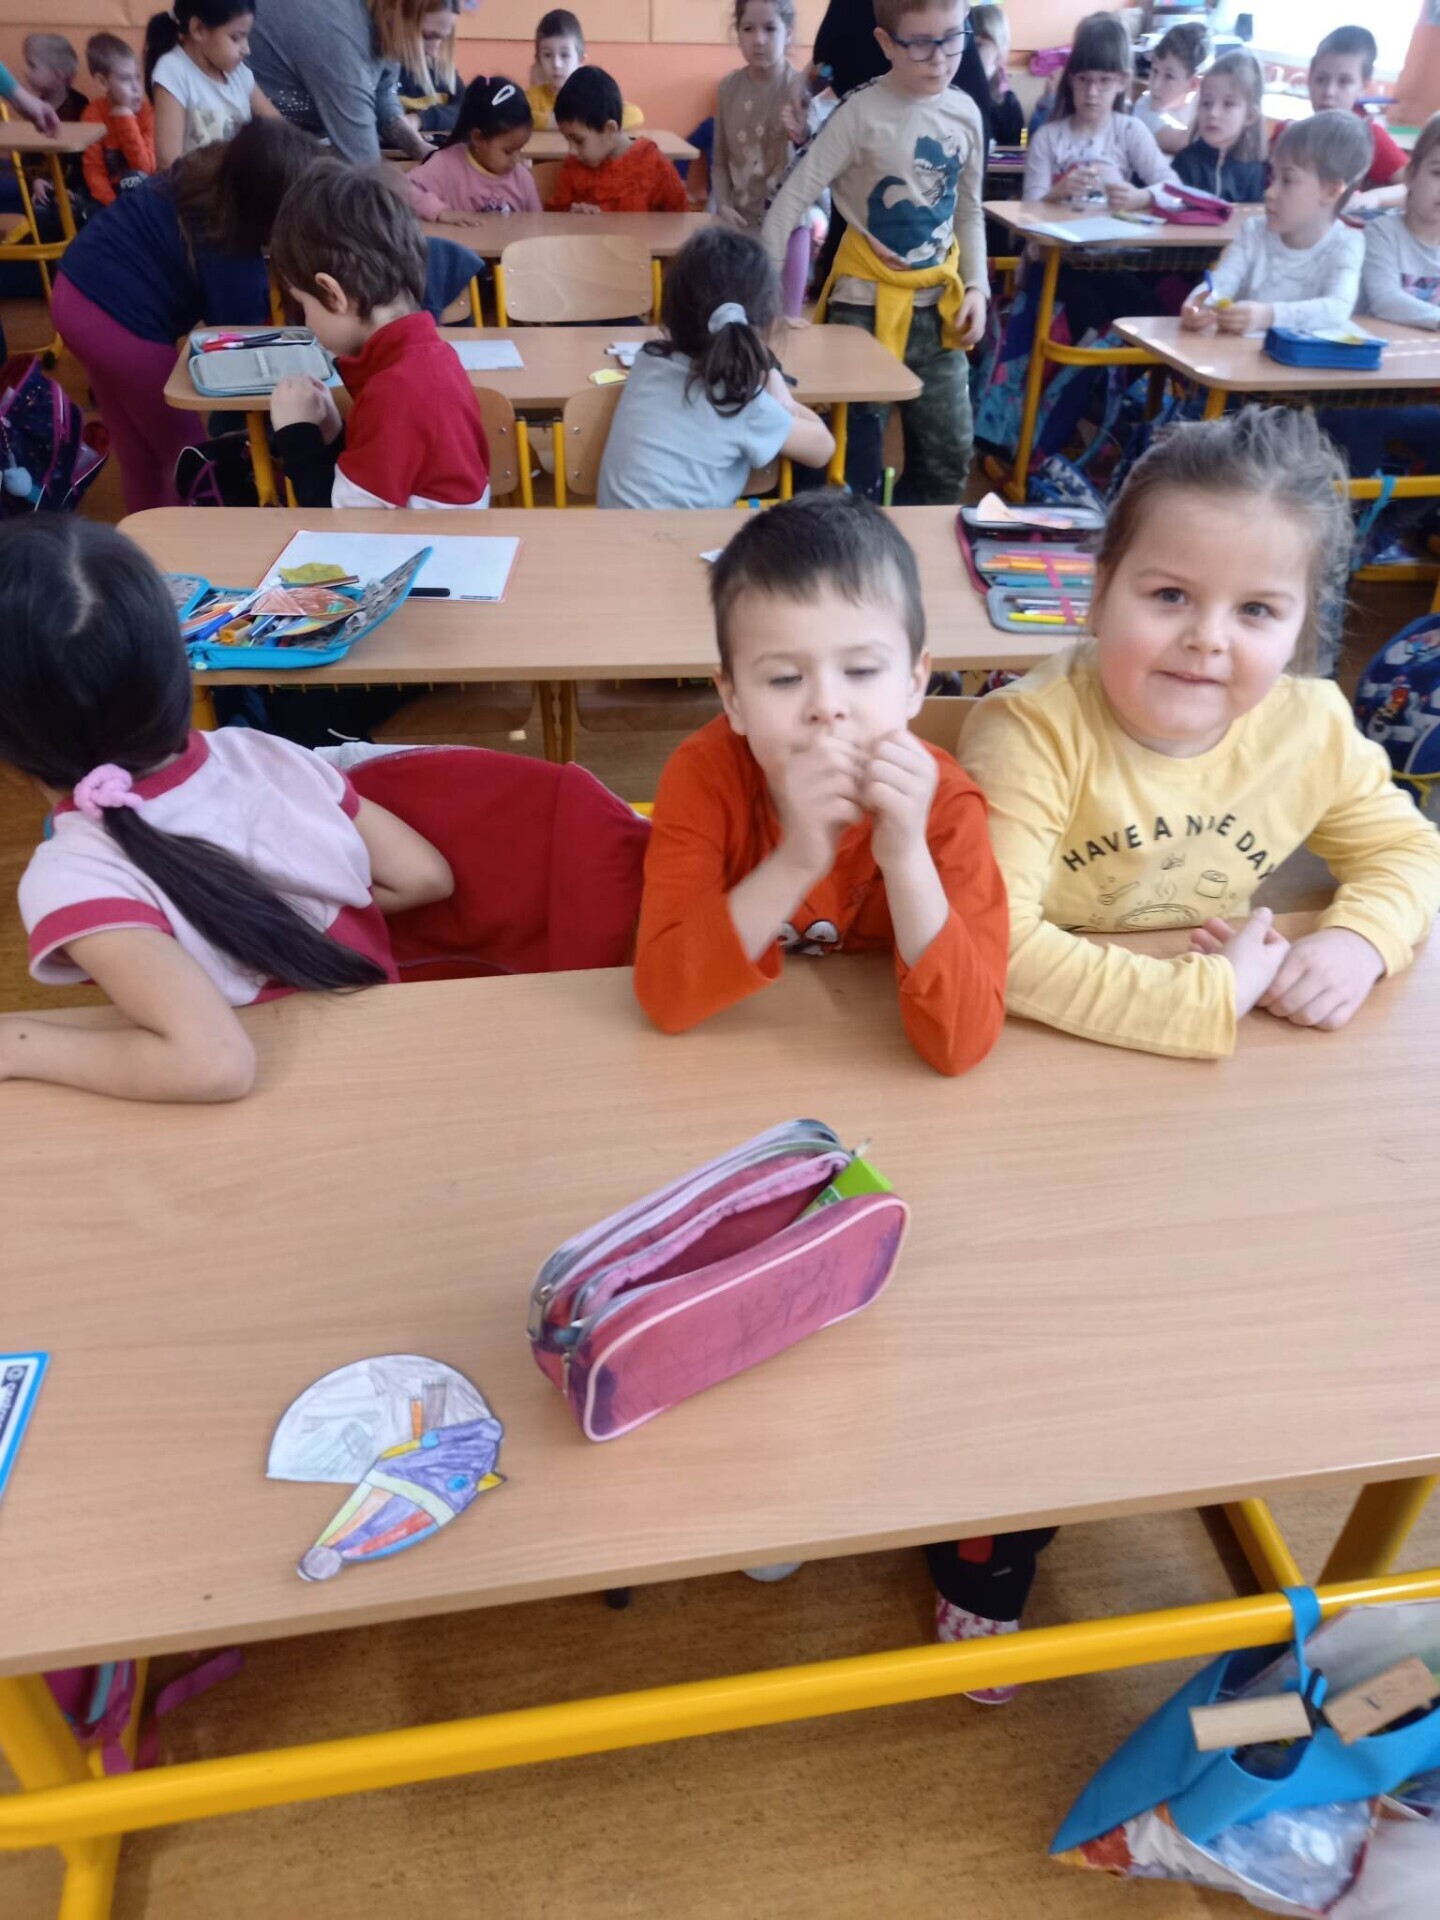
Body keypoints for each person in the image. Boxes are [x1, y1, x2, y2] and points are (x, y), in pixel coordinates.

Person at [960, 406, 1440, 1061]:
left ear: (1300, 631)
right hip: (1037, 1045)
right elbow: (990, 941)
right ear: (1100, 595)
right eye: (1170, 595)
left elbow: (1410, 849)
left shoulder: (1311, 728)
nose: (1208, 638)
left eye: (1256, 609)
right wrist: (1207, 995)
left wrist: (1361, 940)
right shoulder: (1030, 734)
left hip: (1198, 1042)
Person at [0, 519, 453, 1105]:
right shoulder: (263, 753)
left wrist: (17, 1042)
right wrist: (284, 926)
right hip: (398, 1064)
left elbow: (213, 1065)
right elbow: (424, 877)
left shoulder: (72, 876)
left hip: (285, 1121)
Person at [634, 491, 1009, 1077]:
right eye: (785, 678)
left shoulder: (945, 805)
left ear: (915, 683)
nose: (827, 706)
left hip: (863, 1069)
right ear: (733, 699)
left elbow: (961, 1044)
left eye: (861, 670)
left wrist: (906, 856)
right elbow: (666, 997)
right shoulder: (703, 778)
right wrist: (798, 859)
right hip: (741, 1071)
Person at [760, 0, 987, 506]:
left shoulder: (966, 113)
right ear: (886, 43)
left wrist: (977, 286)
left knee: (949, 458)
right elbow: (788, 201)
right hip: (862, 310)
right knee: (855, 461)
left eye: (953, 37)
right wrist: (767, 304)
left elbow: (969, 210)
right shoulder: (858, 114)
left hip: (939, 311)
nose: (940, 57)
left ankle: (912, 541)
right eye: (921, 43)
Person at [52, 118, 319, 515]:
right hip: (117, 320)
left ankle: (149, 540)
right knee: (190, 458)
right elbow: (239, 336)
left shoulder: (208, 175)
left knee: (139, 450)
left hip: (73, 290)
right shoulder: (231, 243)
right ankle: (190, 543)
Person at [268, 164, 491, 510]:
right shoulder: (422, 358)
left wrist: (295, 433)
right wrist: (334, 432)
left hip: (419, 543)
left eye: (304, 304)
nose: (307, 321)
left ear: (333, 294)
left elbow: (342, 520)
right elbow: (379, 486)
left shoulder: (396, 389)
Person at [597, 227, 832, 508]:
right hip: (679, 537)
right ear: (770, 324)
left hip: (613, 533)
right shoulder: (739, 400)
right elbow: (823, 448)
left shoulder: (649, 360)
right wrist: (784, 400)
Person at [1181, 112, 1368, 337]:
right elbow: (1220, 283)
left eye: (1287, 180)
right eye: (1272, 177)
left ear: (1330, 191)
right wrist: (1197, 303)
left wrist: (1268, 316)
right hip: (1238, 356)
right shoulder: (1253, 232)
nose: (1269, 192)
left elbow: (1337, 309)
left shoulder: (1347, 244)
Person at [1021, 12, 1175, 211]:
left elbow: (1173, 188)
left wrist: (1142, 197)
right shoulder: (1047, 138)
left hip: (1113, 230)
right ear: (1071, 80)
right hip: (1056, 231)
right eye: (1084, 79)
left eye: (1104, 80)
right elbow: (1028, 210)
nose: (1092, 92)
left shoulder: (1130, 131)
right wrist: (1056, 193)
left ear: (1122, 81)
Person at [249, 0, 437, 163]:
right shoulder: (339, 37)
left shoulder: (385, 25)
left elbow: (382, 93)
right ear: (395, 13)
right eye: (428, 36)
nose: (434, 52)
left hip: (299, 146)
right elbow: (362, 166)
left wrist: (422, 150)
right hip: (254, 149)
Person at [713, 0, 808, 236]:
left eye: (770, 28)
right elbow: (719, 162)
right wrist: (723, 206)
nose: (758, 40)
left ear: (788, 33)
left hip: (789, 226)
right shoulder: (728, 88)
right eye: (748, 29)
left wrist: (803, 135)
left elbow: (815, 165)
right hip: (739, 223)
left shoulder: (800, 89)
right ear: (737, 33)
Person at [145, 0, 276, 169]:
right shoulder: (173, 71)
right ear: (198, 29)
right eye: (236, 38)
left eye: (246, 37)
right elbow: (168, 161)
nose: (246, 49)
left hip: (241, 180)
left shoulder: (239, 74)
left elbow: (278, 128)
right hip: (196, 184)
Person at [548, 66, 686, 212]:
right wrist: (572, 216)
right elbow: (556, 216)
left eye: (578, 141)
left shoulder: (655, 165)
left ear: (610, 129)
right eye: (567, 140)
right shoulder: (573, 167)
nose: (572, 151)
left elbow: (679, 218)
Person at [404, 76, 540, 219]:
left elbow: (537, 225)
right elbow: (401, 189)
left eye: (520, 149)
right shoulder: (445, 165)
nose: (516, 159)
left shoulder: (522, 179)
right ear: (477, 138)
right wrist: (439, 211)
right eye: (508, 152)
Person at [1304, 25, 1407, 198]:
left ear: (1363, 87)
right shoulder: (1293, 133)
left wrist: (1373, 198)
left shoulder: (1370, 137)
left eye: (1344, 82)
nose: (1329, 91)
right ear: (1309, 80)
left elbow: (1415, 187)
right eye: (1321, 79)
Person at [1361, 112, 1440, 330]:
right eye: (1438, 173)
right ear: (1411, 174)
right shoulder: (1381, 233)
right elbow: (1385, 300)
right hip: (1382, 346)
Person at [1172, 49, 1266, 204]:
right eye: (1206, 103)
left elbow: (1254, 216)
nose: (1213, 113)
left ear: (1250, 116)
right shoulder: (1185, 162)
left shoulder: (1254, 171)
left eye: (1228, 104)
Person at [527, 9, 642, 130]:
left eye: (564, 55)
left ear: (580, 60)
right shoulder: (532, 97)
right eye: (547, 55)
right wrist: (557, 122)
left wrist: (590, 122)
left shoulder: (592, 95)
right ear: (538, 60)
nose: (556, 64)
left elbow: (635, 114)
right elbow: (519, 118)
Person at [82, 35, 157, 207]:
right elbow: (93, 170)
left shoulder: (147, 112)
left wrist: (125, 118)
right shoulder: (93, 114)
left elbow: (145, 168)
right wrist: (114, 206)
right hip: (110, 199)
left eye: (137, 77)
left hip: (145, 193)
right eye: (125, 79)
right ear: (103, 82)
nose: (136, 88)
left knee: (135, 179)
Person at [1132, 20, 1206, 157]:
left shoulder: (1208, 102)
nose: (1155, 85)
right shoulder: (1144, 108)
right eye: (1155, 71)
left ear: (1193, 84)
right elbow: (1183, 142)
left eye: (1169, 76)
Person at [399, 2, 461, 136]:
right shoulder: (381, 72)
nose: (434, 53)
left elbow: (467, 111)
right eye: (426, 36)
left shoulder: (443, 71)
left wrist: (420, 119)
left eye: (444, 39)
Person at [969, 5, 1023, 148]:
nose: (969, 53)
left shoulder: (1008, 105)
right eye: (965, 44)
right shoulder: (950, 95)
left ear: (1000, 50)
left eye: (979, 45)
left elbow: (1011, 155)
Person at [21, 34, 86, 123]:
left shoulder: (79, 108)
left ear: (59, 76)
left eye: (32, 66)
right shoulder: (35, 102)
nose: (25, 71)